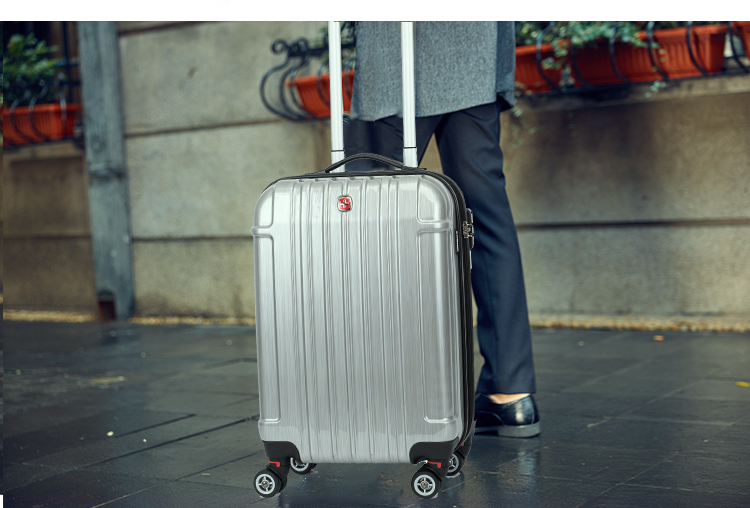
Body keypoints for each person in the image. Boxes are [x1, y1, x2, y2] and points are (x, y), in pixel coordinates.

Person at [344, 21, 540, 438]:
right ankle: (511, 392)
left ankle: (378, 391)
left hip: (396, 55)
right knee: (485, 214)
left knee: (372, 219)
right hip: (472, 53)